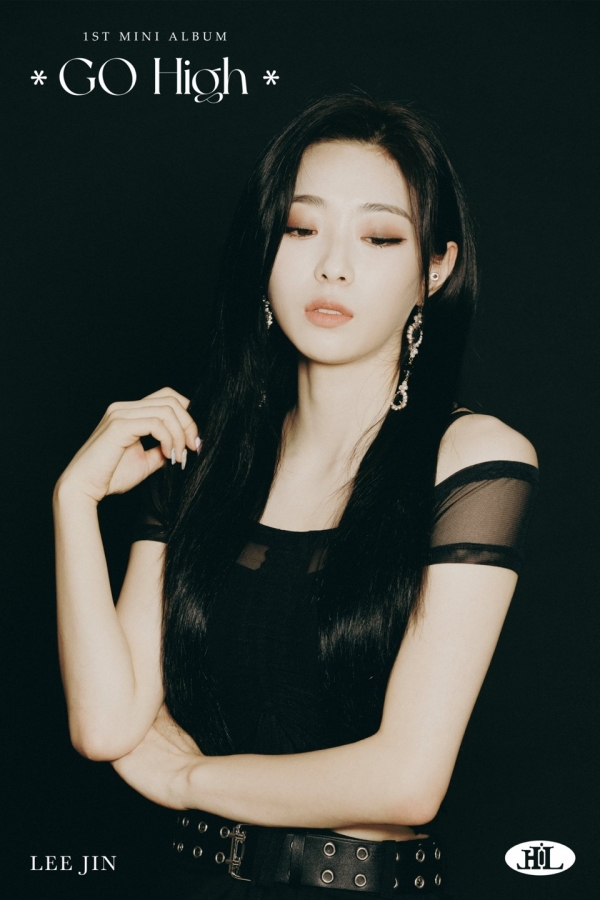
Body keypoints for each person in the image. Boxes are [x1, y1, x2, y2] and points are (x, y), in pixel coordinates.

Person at [53, 94, 539, 899]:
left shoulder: (473, 459)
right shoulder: (202, 452)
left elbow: (407, 781)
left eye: (380, 237)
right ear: (265, 249)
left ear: (436, 269)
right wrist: (73, 499)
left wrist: (187, 780)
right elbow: (106, 726)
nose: (333, 267)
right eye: (301, 228)